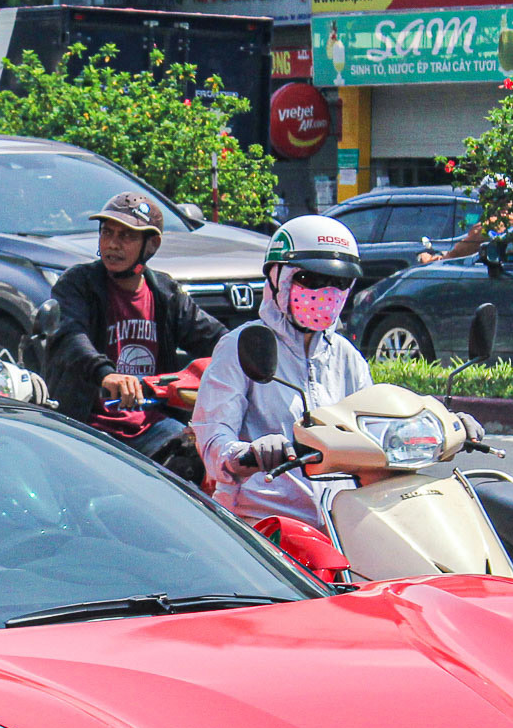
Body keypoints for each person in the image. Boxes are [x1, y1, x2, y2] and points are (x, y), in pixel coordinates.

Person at [194, 215, 475, 529]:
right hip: (262, 521)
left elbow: (375, 427)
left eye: (339, 282)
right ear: (278, 279)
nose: (326, 291)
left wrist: (445, 424)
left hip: (340, 523)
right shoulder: (242, 345)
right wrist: (246, 454)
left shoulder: (345, 355)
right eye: (311, 280)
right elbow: (213, 439)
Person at [45, 191, 226, 456]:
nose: (112, 244)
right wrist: (106, 374)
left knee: (202, 457)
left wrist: (248, 352)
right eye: (107, 233)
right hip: (88, 425)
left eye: (126, 236)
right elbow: (71, 336)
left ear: (151, 244)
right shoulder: (77, 284)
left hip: (152, 425)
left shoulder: (165, 293)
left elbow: (216, 339)